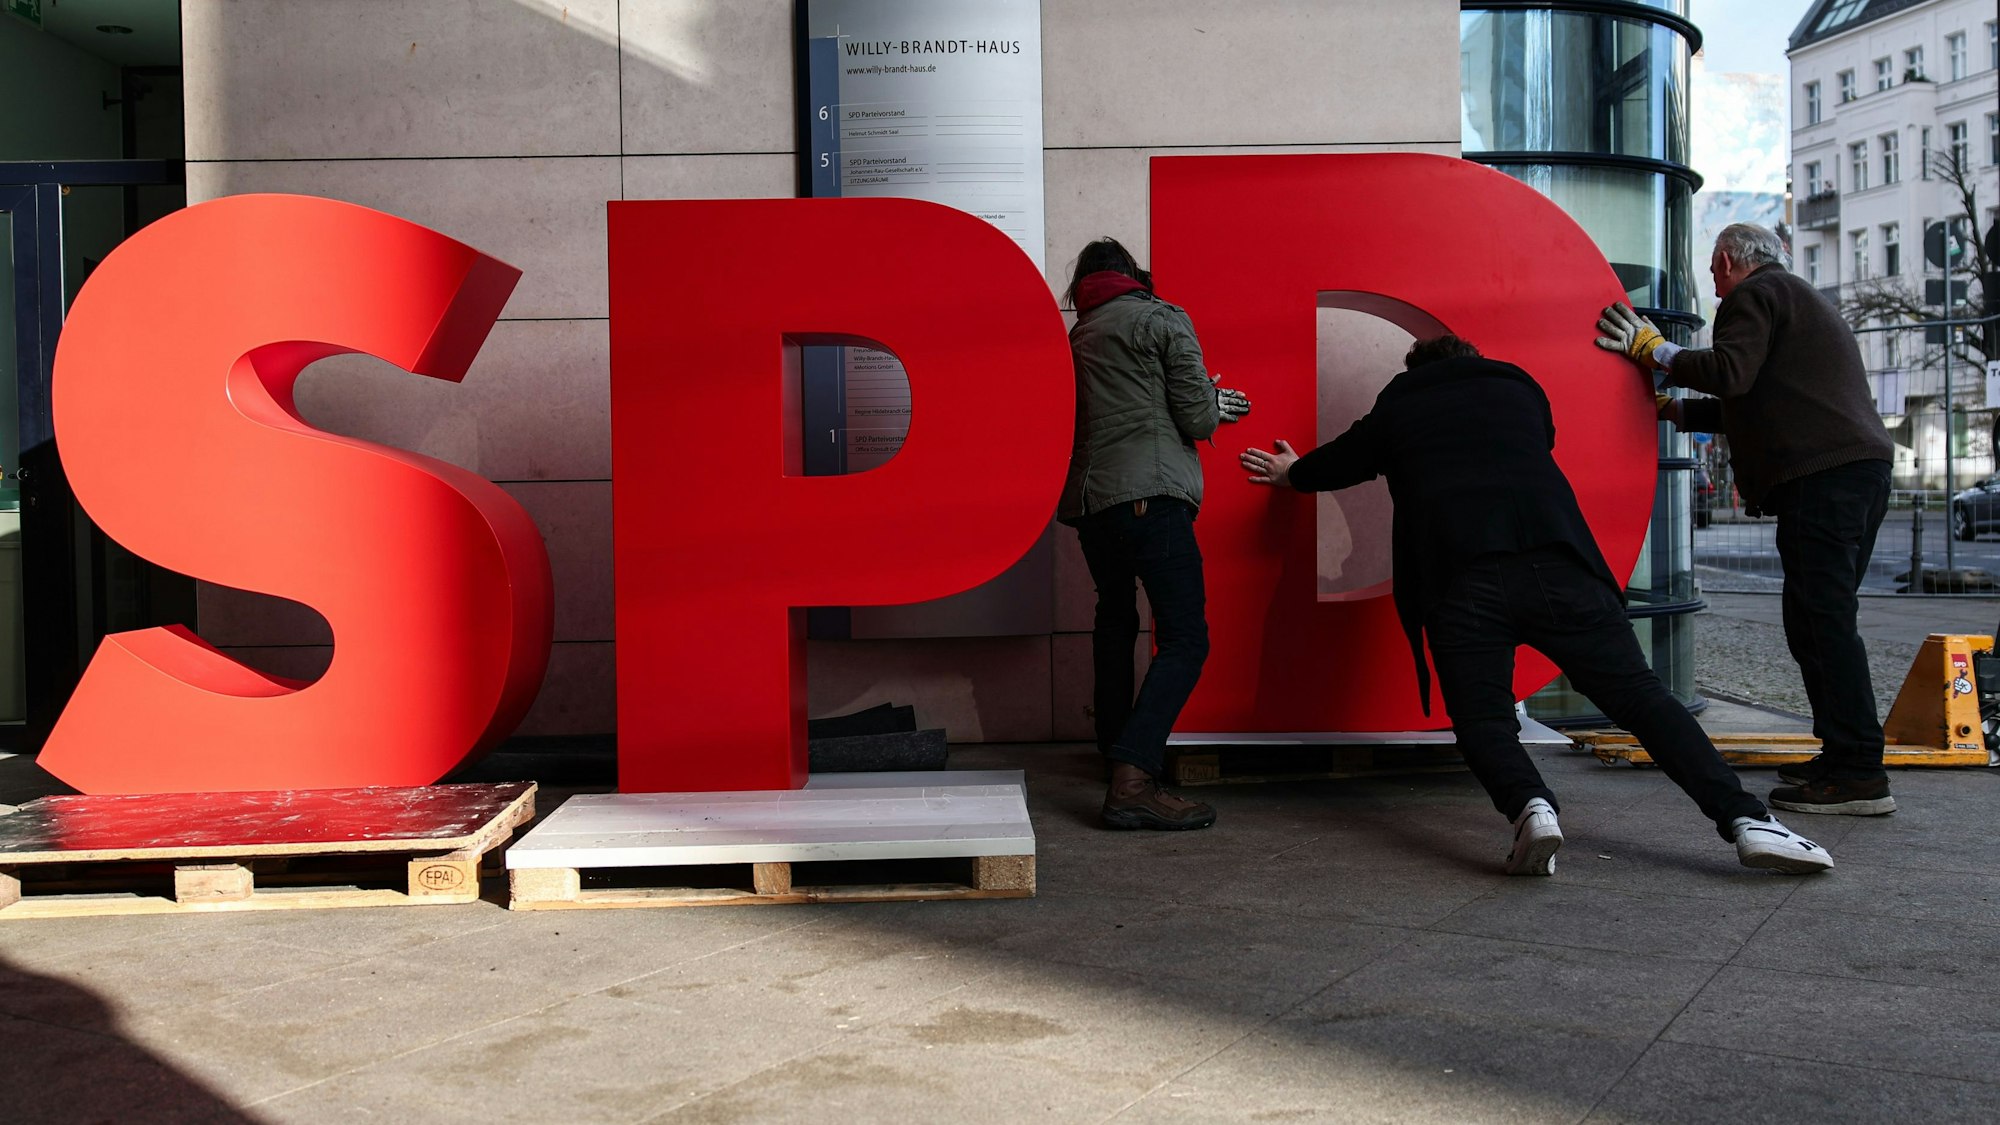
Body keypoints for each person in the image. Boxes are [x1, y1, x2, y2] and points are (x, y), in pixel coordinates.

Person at [1239, 335, 1832, 875]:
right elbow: (1538, 444)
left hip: (1459, 575)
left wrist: (1294, 473)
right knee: (1642, 700)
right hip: (1557, 562)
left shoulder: (1401, 398)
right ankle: (1749, 821)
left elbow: (1346, 459)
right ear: (1472, 357)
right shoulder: (1519, 387)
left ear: (1416, 369)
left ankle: (1532, 808)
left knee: (1482, 720)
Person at [1596, 222, 1897, 816]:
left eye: (1713, 271)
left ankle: (1859, 771)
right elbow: (1760, 402)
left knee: (1823, 623)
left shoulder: (1755, 296)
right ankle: (1843, 756)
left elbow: (1731, 373)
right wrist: (1675, 410)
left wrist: (1656, 352)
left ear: (1731, 261)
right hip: (1856, 471)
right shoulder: (1800, 300)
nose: (1713, 284)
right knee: (1817, 621)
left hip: (1823, 479)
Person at [1058, 237, 1250, 830]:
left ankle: (1114, 750)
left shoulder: (1076, 335)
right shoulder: (1161, 318)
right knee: (1186, 637)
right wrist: (1218, 404)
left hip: (1091, 506)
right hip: (1152, 497)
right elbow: (1193, 416)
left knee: (1115, 619)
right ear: (1132, 275)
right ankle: (1133, 779)